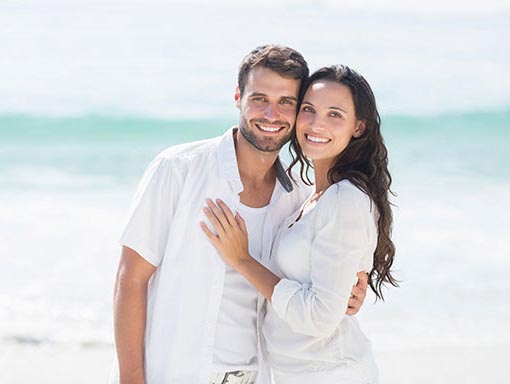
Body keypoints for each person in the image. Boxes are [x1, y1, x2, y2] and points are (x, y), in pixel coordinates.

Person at [112, 46, 368, 384]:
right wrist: (131, 379)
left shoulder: (299, 201)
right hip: (174, 372)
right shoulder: (178, 170)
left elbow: (315, 294)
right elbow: (131, 278)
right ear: (238, 97)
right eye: (259, 98)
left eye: (286, 102)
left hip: (256, 376)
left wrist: (348, 295)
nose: (271, 114)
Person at [201, 65, 397, 384]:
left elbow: (319, 319)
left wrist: (242, 260)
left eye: (335, 114)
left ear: (358, 127)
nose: (317, 124)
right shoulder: (310, 197)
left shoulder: (345, 199)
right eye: (309, 109)